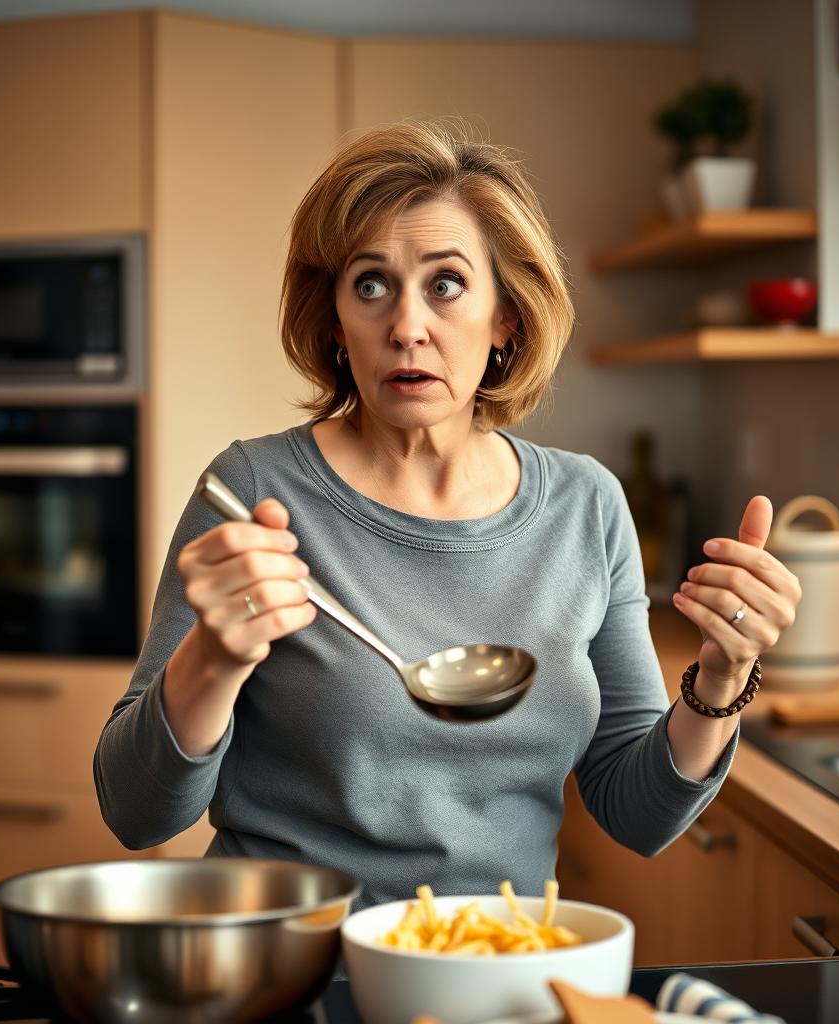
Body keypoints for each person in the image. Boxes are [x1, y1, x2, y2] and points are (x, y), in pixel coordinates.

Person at [93, 120, 800, 910]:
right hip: (293, 973)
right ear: (334, 321)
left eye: (446, 283)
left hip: (492, 970)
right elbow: (136, 812)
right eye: (370, 284)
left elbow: (635, 813)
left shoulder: (587, 506)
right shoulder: (256, 489)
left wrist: (722, 677)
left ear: (507, 317)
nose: (405, 326)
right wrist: (214, 661)